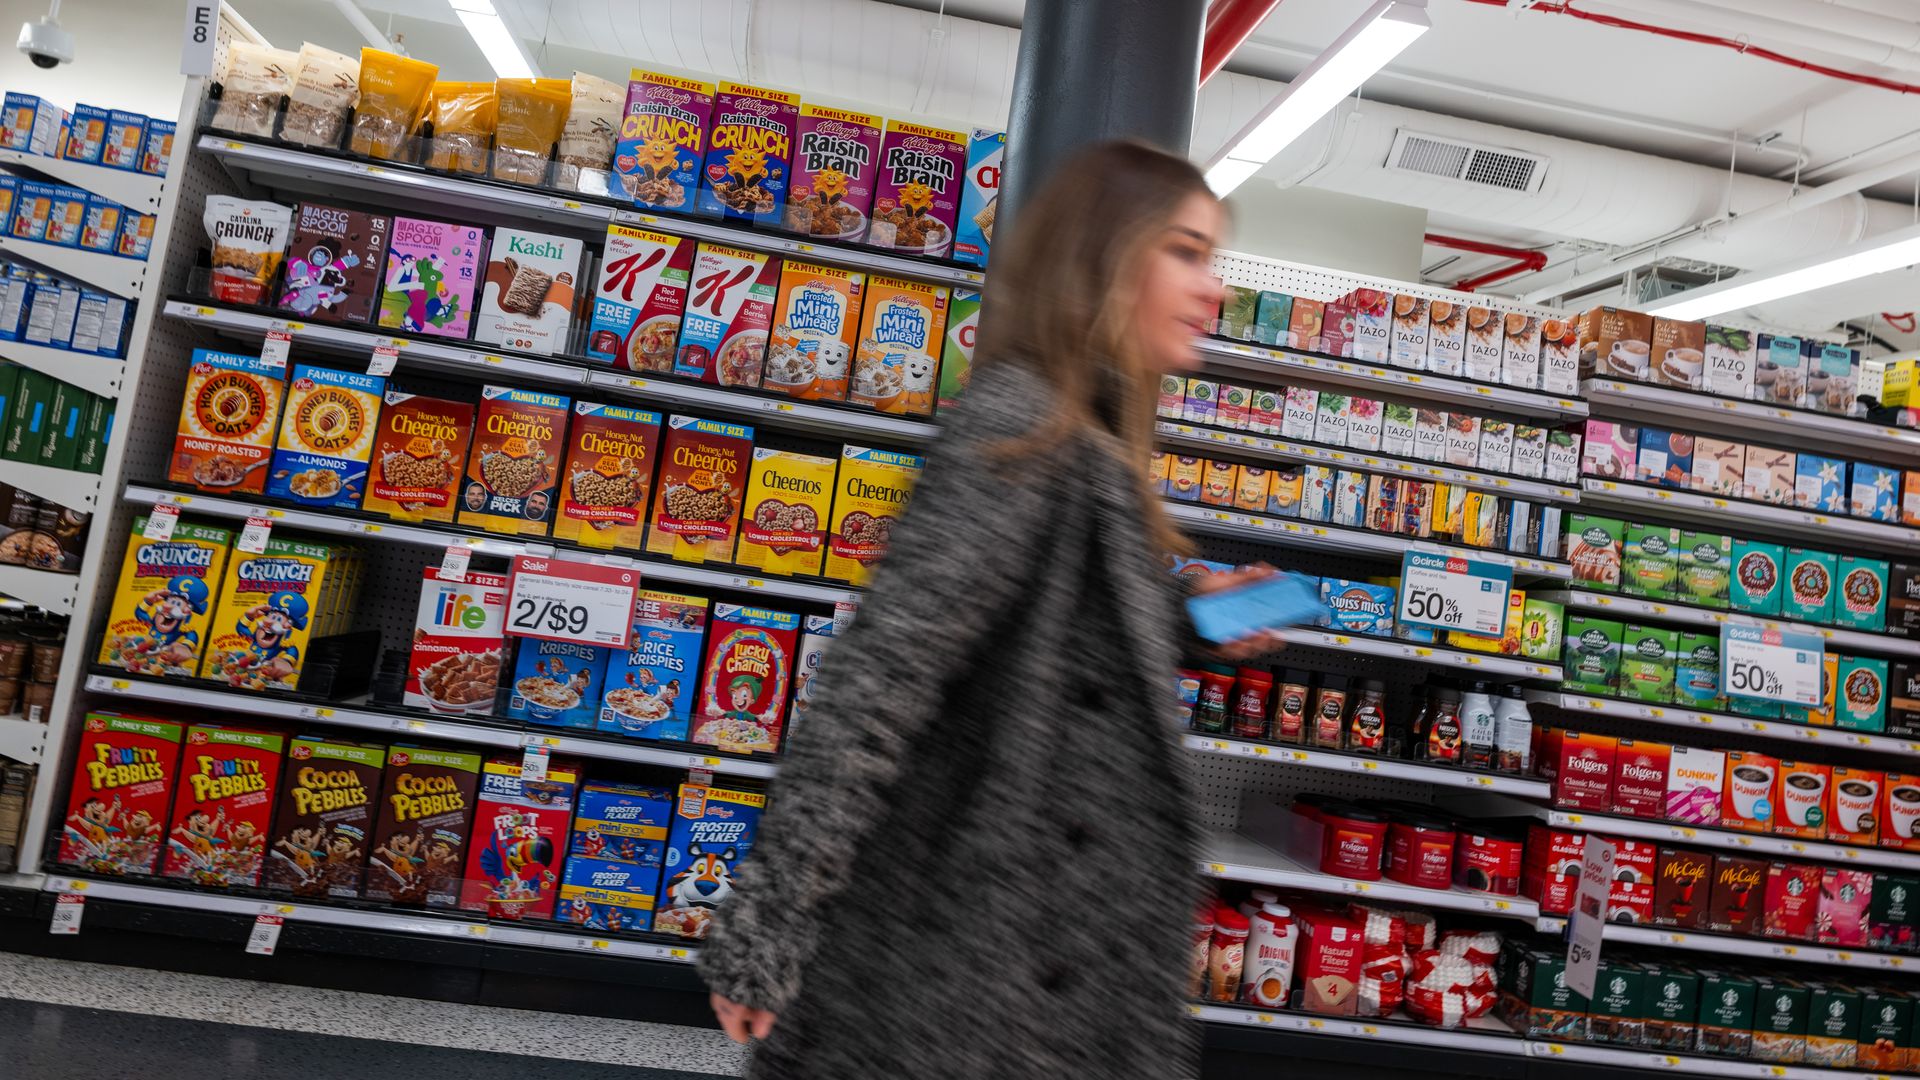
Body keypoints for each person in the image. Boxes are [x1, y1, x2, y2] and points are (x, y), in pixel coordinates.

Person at [699, 139, 1283, 1078]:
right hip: (980, 948)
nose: (1212, 287)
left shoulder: (1088, 435)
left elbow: (1057, 632)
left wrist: (1186, 618)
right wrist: (768, 922)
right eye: (1185, 251)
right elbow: (878, 679)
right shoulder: (1023, 425)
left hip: (1032, 937)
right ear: (1103, 257)